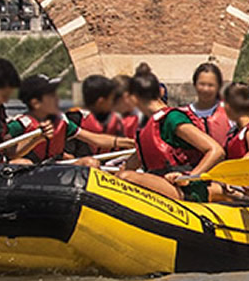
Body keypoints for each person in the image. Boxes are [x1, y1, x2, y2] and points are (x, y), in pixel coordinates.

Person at [121, 71, 228, 202]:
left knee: (126, 178)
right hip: (161, 184)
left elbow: (216, 151)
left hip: (185, 188)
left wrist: (189, 177)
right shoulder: (146, 128)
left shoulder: (172, 118)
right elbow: (131, 164)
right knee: (121, 176)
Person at [9, 74, 131, 165]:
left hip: (53, 169)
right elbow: (11, 154)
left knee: (90, 162)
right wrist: (36, 140)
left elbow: (95, 139)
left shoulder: (62, 121)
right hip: (29, 171)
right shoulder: (20, 124)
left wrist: (129, 143)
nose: (57, 98)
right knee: (22, 163)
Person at [70, 74, 143, 156]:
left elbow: (98, 139)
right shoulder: (74, 119)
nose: (112, 103)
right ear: (100, 102)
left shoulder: (116, 120)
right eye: (111, 99)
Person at [186, 63, 229, 133]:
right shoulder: (184, 115)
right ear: (194, 84)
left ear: (219, 86)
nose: (206, 89)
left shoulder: (230, 112)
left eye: (211, 85)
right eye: (202, 84)